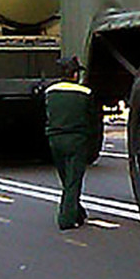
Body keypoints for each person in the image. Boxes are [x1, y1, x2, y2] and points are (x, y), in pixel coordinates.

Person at [44, 59, 101, 231]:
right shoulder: (85, 92)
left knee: (66, 179)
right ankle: (66, 219)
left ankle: (78, 212)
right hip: (76, 140)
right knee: (73, 181)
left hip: (55, 140)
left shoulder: (50, 92)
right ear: (75, 74)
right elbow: (93, 121)